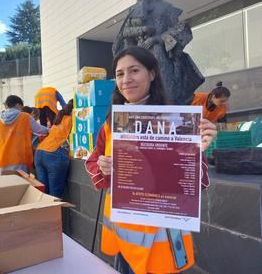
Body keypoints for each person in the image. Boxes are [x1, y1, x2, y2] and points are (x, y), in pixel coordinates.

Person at [85, 47, 217, 274]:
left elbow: (199, 182)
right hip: (123, 239)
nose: (126, 80)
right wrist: (102, 167)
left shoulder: (178, 122)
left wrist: (198, 150)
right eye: (119, 74)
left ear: (152, 74)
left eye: (134, 70)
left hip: (161, 243)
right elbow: (93, 161)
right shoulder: (111, 123)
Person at [112, 0, 204, 105]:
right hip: (141, 54)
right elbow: (125, 32)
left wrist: (156, 39)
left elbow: (178, 29)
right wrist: (142, 30)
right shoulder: (138, 7)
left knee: (166, 88)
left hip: (160, 54)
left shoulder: (167, 8)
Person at [0, 95, 49, 176]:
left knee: (4, 187)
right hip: (19, 159)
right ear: (18, 105)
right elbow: (40, 130)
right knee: (20, 185)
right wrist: (50, 130)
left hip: (1, 159)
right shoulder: (25, 117)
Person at [34, 99, 73, 198]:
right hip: (54, 153)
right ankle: (53, 213)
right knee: (55, 194)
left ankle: (45, 213)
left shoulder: (59, 118)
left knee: (43, 192)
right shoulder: (74, 118)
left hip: (40, 152)